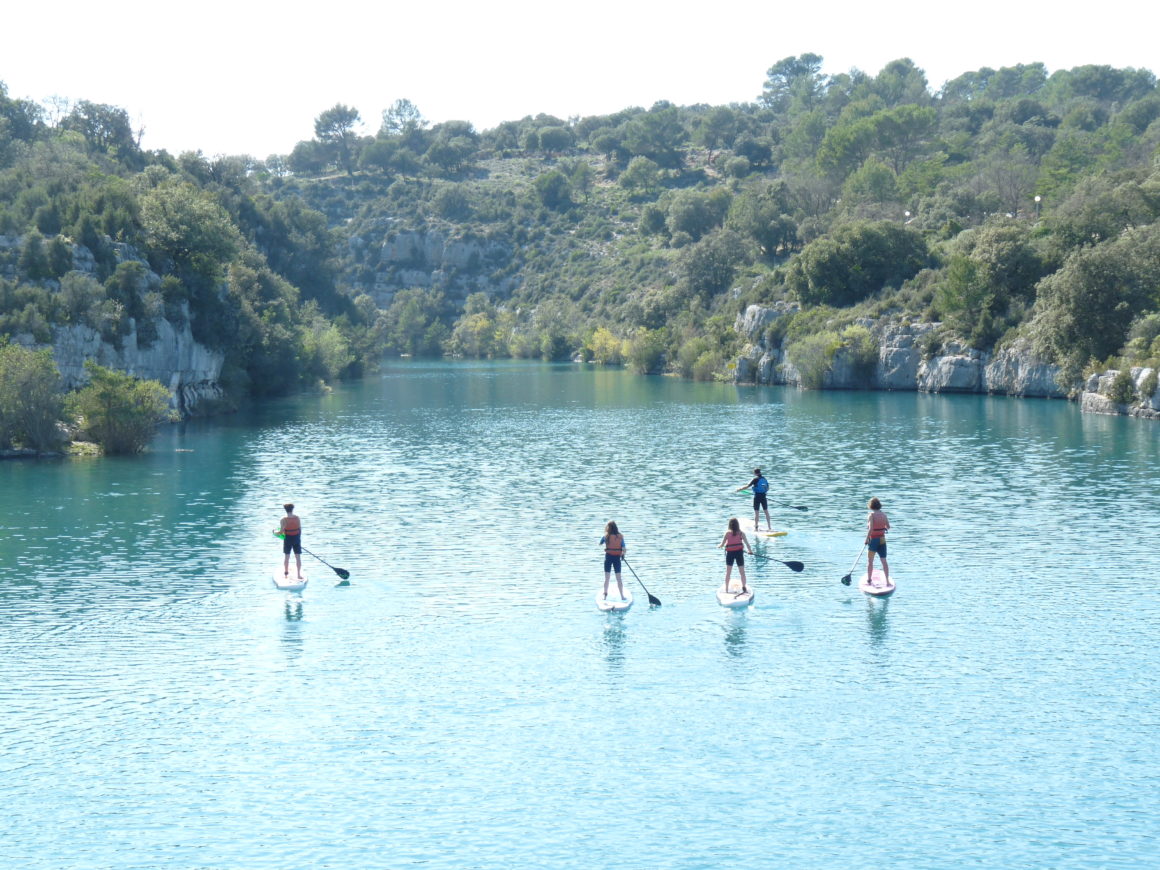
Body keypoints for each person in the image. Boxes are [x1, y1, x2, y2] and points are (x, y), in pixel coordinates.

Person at [717, 517, 754, 594]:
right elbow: (747, 544)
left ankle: (726, 589)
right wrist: (750, 551)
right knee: (742, 572)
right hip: (739, 554)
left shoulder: (727, 533)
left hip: (730, 554)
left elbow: (722, 544)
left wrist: (719, 546)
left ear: (729, 525)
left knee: (728, 572)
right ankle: (744, 586)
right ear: (738, 525)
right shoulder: (741, 533)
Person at [737, 467, 773, 532]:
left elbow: (747, 486)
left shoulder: (755, 479)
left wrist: (739, 489)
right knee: (766, 511)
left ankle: (756, 528)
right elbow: (767, 489)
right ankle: (769, 527)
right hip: (763, 497)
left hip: (757, 497)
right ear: (760, 472)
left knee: (757, 512)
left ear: (755, 473)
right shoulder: (764, 479)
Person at [865, 497, 890, 586]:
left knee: (870, 561)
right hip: (882, 540)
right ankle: (887, 581)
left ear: (871, 506)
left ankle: (869, 580)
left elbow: (871, 529)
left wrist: (866, 539)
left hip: (873, 540)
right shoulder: (884, 515)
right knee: (884, 560)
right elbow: (888, 527)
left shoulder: (871, 515)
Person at [600, 521, 627, 601]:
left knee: (607, 578)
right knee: (619, 578)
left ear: (608, 528)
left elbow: (600, 543)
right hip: (617, 559)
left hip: (608, 558)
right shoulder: (620, 536)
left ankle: (605, 596)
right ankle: (622, 596)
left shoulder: (606, 536)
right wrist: (623, 555)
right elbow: (624, 548)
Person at [277, 503, 303, 580]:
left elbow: (281, 532)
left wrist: (275, 533)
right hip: (296, 539)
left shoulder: (283, 519)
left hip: (287, 539)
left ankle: (286, 573)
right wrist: (298, 539)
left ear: (285, 510)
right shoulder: (297, 518)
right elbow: (300, 529)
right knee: (298, 557)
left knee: (287, 557)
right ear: (292, 509)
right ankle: (298, 575)